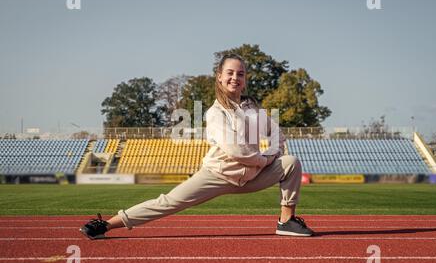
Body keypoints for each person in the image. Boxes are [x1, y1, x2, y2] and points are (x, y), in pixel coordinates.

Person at [80, 54, 314, 239]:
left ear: (245, 79)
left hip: (252, 176)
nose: (235, 77)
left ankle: (286, 222)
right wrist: (264, 160)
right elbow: (236, 151)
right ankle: (106, 225)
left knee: (291, 163)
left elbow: (277, 134)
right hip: (217, 175)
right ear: (219, 77)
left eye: (240, 74)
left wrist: (274, 153)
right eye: (230, 73)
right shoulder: (215, 113)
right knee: (168, 202)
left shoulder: (251, 109)